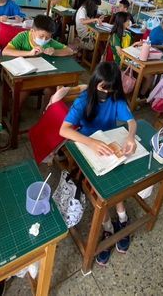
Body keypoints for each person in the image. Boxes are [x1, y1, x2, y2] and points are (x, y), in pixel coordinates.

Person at [59, 62, 137, 266]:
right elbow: (64, 130)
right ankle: (108, 227)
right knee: (98, 189)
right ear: (95, 83)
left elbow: (132, 121)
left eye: (111, 89)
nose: (106, 92)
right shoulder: (84, 99)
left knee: (116, 182)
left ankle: (122, 219)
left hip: (108, 145)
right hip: (87, 146)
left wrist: (130, 136)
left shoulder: (115, 98)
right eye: (103, 88)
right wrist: (92, 142)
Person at [3, 15, 74, 57]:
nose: (44, 39)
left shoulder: (49, 42)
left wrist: (55, 52)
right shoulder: (22, 36)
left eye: (48, 37)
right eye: (41, 36)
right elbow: (5, 51)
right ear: (32, 31)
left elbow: (70, 51)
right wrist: (29, 53)